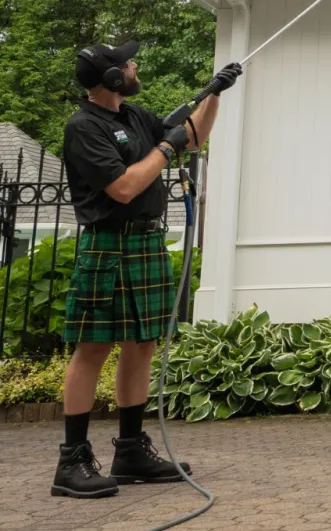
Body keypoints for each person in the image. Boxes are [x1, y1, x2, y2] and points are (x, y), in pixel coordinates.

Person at [50, 42, 241, 499]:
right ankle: (71, 460)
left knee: (142, 344)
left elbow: (190, 137)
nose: (134, 65)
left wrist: (213, 93)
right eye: (127, 62)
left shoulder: (133, 115)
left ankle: (130, 451)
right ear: (112, 78)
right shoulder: (84, 126)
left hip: (144, 241)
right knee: (93, 347)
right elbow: (124, 186)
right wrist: (166, 150)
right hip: (107, 244)